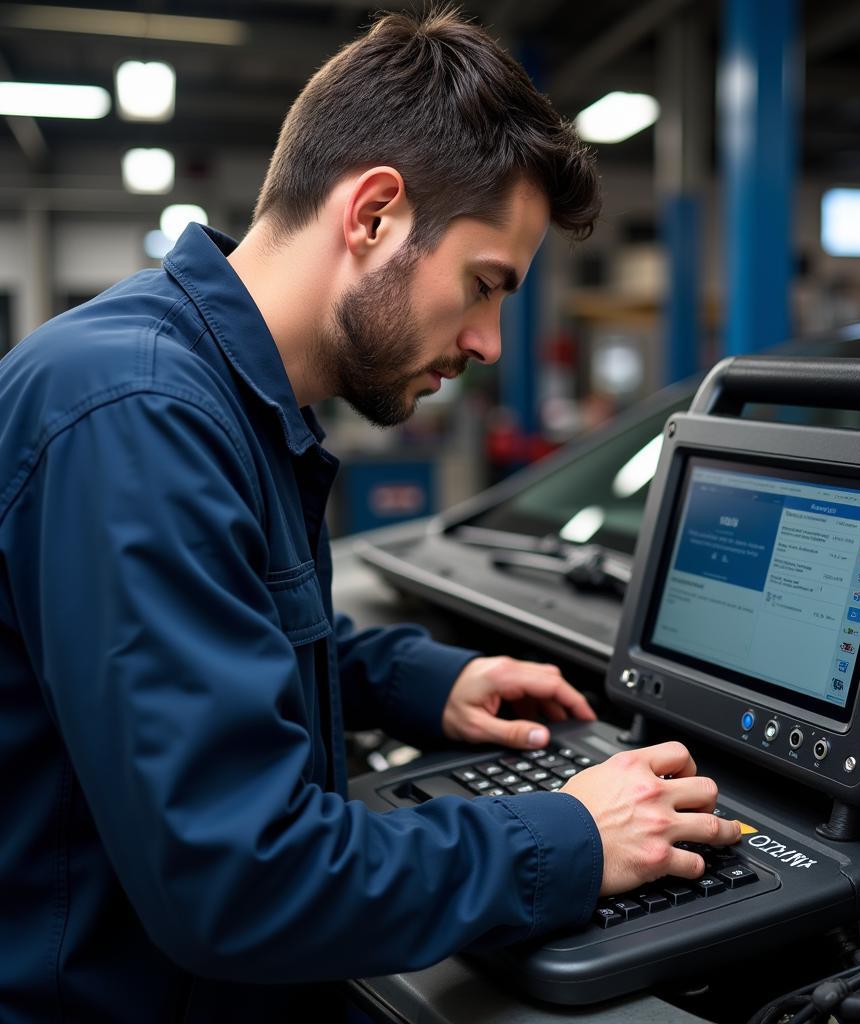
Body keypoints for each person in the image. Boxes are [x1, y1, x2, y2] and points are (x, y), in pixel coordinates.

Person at [0, 9, 739, 1021]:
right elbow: (238, 881)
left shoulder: (220, 394)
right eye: (484, 285)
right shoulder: (139, 416)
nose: (487, 342)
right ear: (374, 215)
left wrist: (425, 680)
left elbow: (228, 632)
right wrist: (569, 835)